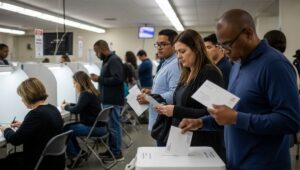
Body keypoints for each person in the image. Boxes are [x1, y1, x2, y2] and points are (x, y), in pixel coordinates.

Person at [179, 9, 300, 170]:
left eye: (228, 45)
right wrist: (201, 122)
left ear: (248, 34)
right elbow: (231, 114)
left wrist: (236, 118)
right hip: (236, 162)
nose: (225, 51)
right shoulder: (237, 64)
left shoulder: (275, 65)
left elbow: (291, 120)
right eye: (221, 46)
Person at [155, 29, 224, 157]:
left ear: (197, 50)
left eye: (182, 51)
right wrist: (167, 110)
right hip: (181, 137)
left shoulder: (209, 72)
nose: (179, 56)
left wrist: (176, 110)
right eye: (177, 52)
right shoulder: (186, 72)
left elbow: (214, 114)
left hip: (201, 142)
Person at [0, 78, 65, 170]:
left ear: (28, 96)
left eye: (22, 97)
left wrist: (5, 129)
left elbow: (15, 140)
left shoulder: (35, 114)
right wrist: (24, 125)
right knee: (12, 157)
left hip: (38, 163)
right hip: (55, 161)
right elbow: (45, 128)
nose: (22, 100)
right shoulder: (52, 109)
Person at [137, 29, 180, 146]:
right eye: (158, 44)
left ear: (174, 45)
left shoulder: (175, 65)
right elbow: (165, 90)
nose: (159, 47)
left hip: (165, 123)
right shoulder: (166, 63)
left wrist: (149, 98)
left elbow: (174, 95)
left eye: (164, 44)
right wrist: (151, 92)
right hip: (160, 121)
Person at [90, 40, 124, 163]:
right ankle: (111, 150)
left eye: (96, 52)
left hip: (113, 100)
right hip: (109, 100)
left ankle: (117, 153)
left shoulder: (114, 60)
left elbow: (118, 79)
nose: (96, 55)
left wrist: (99, 79)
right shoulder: (107, 61)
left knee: (114, 127)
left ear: (102, 50)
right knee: (111, 127)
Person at [61, 71, 103, 167]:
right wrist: (69, 104)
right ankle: (80, 153)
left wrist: (65, 107)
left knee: (66, 130)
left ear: (80, 82)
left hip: (94, 128)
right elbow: (82, 106)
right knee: (69, 128)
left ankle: (75, 156)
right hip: (101, 127)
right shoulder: (93, 91)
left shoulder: (85, 94)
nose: (74, 86)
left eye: (74, 83)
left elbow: (76, 110)